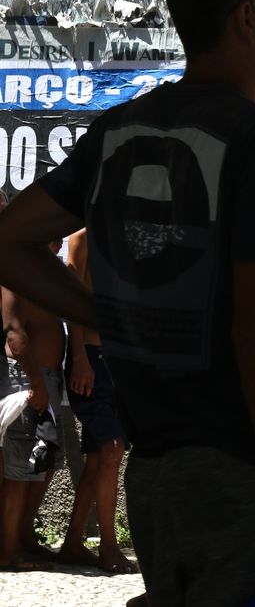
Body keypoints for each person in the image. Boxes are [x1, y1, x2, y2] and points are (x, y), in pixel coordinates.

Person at [0, 0, 255, 604]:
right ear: (247, 18)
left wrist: (107, 314)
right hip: (244, 477)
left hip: (153, 477)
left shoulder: (118, 131)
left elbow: (10, 241)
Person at [56, 229, 134, 574]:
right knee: (112, 449)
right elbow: (71, 299)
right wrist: (80, 358)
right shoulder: (83, 237)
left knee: (99, 456)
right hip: (90, 356)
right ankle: (109, 547)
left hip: (119, 358)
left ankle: (73, 542)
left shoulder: (129, 233)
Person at [1, 240, 66, 572]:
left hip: (45, 378)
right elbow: (14, 332)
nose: (57, 242)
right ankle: (8, 549)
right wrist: (36, 384)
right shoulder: (14, 269)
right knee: (18, 468)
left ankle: (23, 539)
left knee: (38, 465)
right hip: (28, 380)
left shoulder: (38, 272)